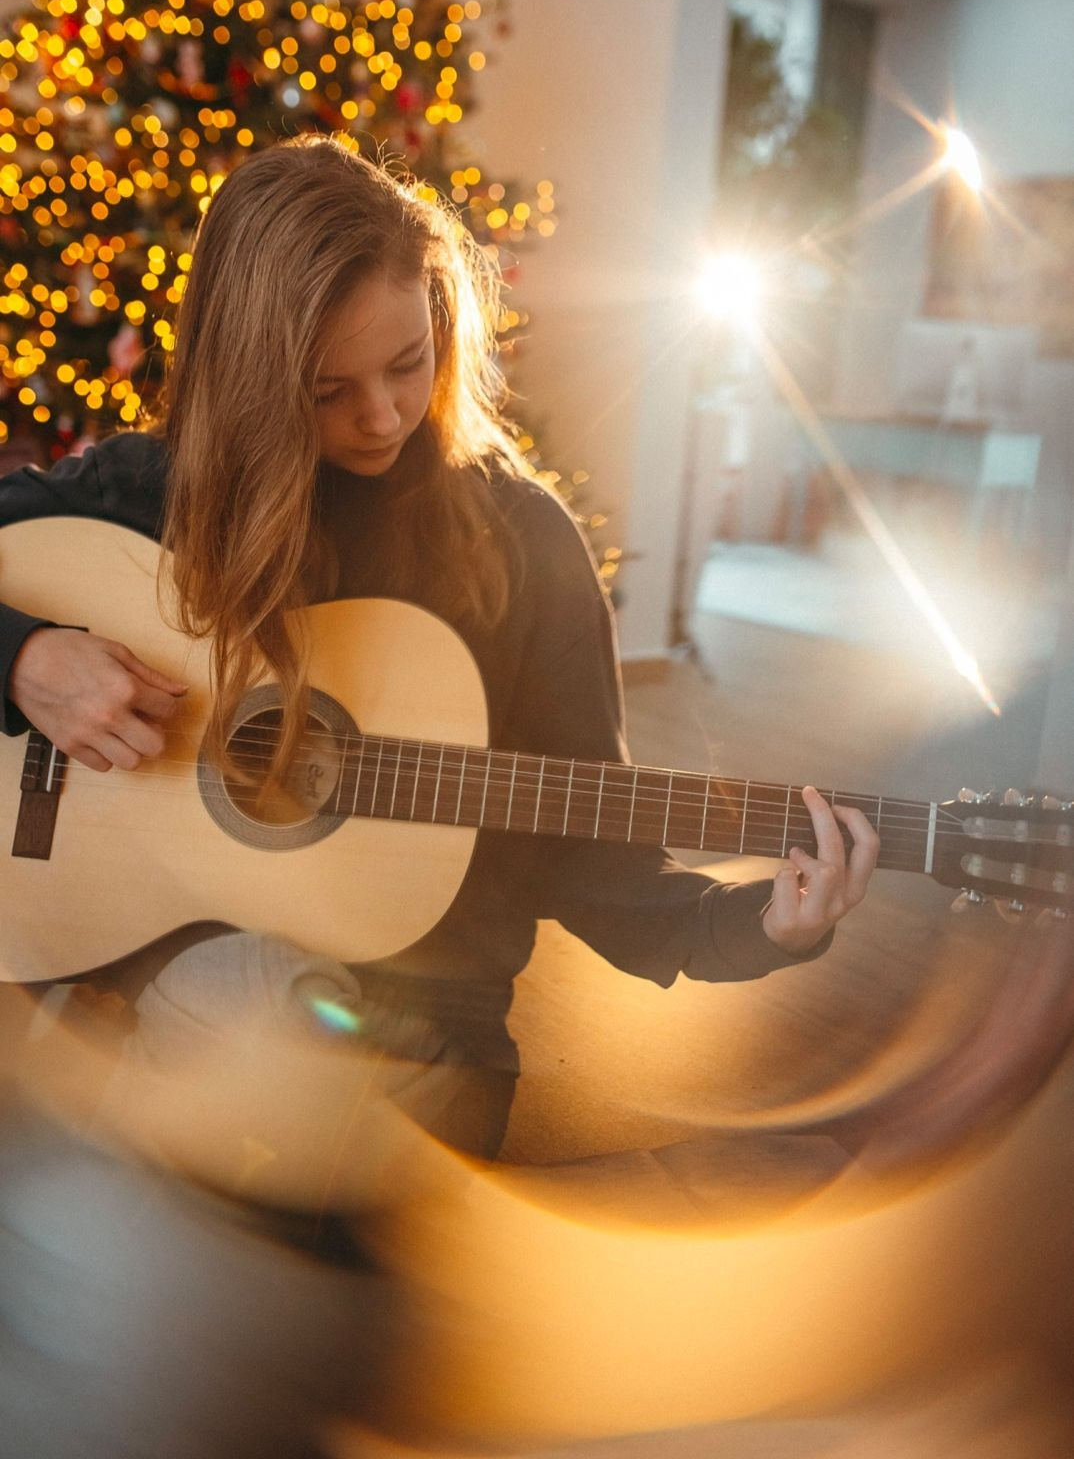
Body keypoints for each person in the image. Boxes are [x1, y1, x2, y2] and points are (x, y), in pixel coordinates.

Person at [0, 133, 879, 1168]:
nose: (383, 414)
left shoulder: (520, 544)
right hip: (153, 963)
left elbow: (598, 859)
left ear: (443, 325)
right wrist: (31, 661)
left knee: (252, 1084)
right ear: (250, 378)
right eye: (328, 391)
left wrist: (766, 926)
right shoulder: (157, 495)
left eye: (409, 363)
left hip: (424, 1030)